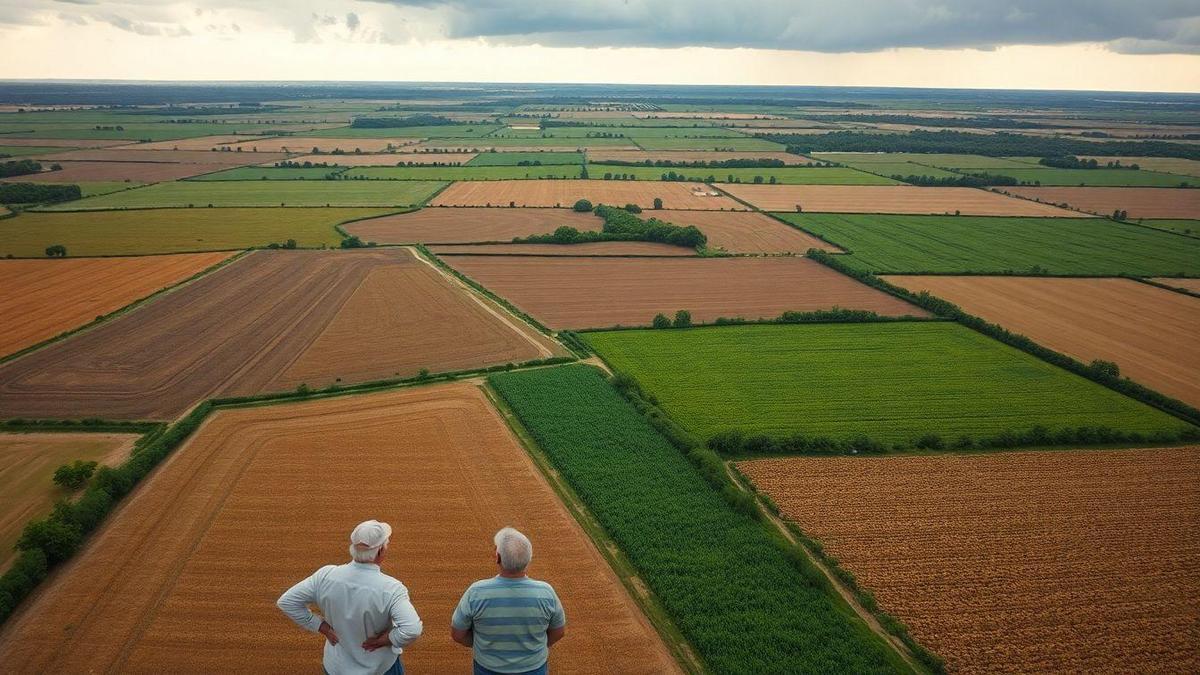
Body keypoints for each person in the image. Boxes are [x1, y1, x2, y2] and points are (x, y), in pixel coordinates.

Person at [277, 520, 423, 675]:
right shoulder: (391, 589)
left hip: (336, 667)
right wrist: (385, 640)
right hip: (380, 669)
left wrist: (321, 627)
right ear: (380, 551)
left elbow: (287, 602)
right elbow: (412, 629)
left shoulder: (325, 576)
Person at [451, 527, 566, 675]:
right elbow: (559, 632)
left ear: (497, 557)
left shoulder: (476, 592)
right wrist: (536, 647)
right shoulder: (546, 593)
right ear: (529, 558)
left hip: (487, 669)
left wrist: (483, 645)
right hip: (534, 669)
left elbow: (457, 635)